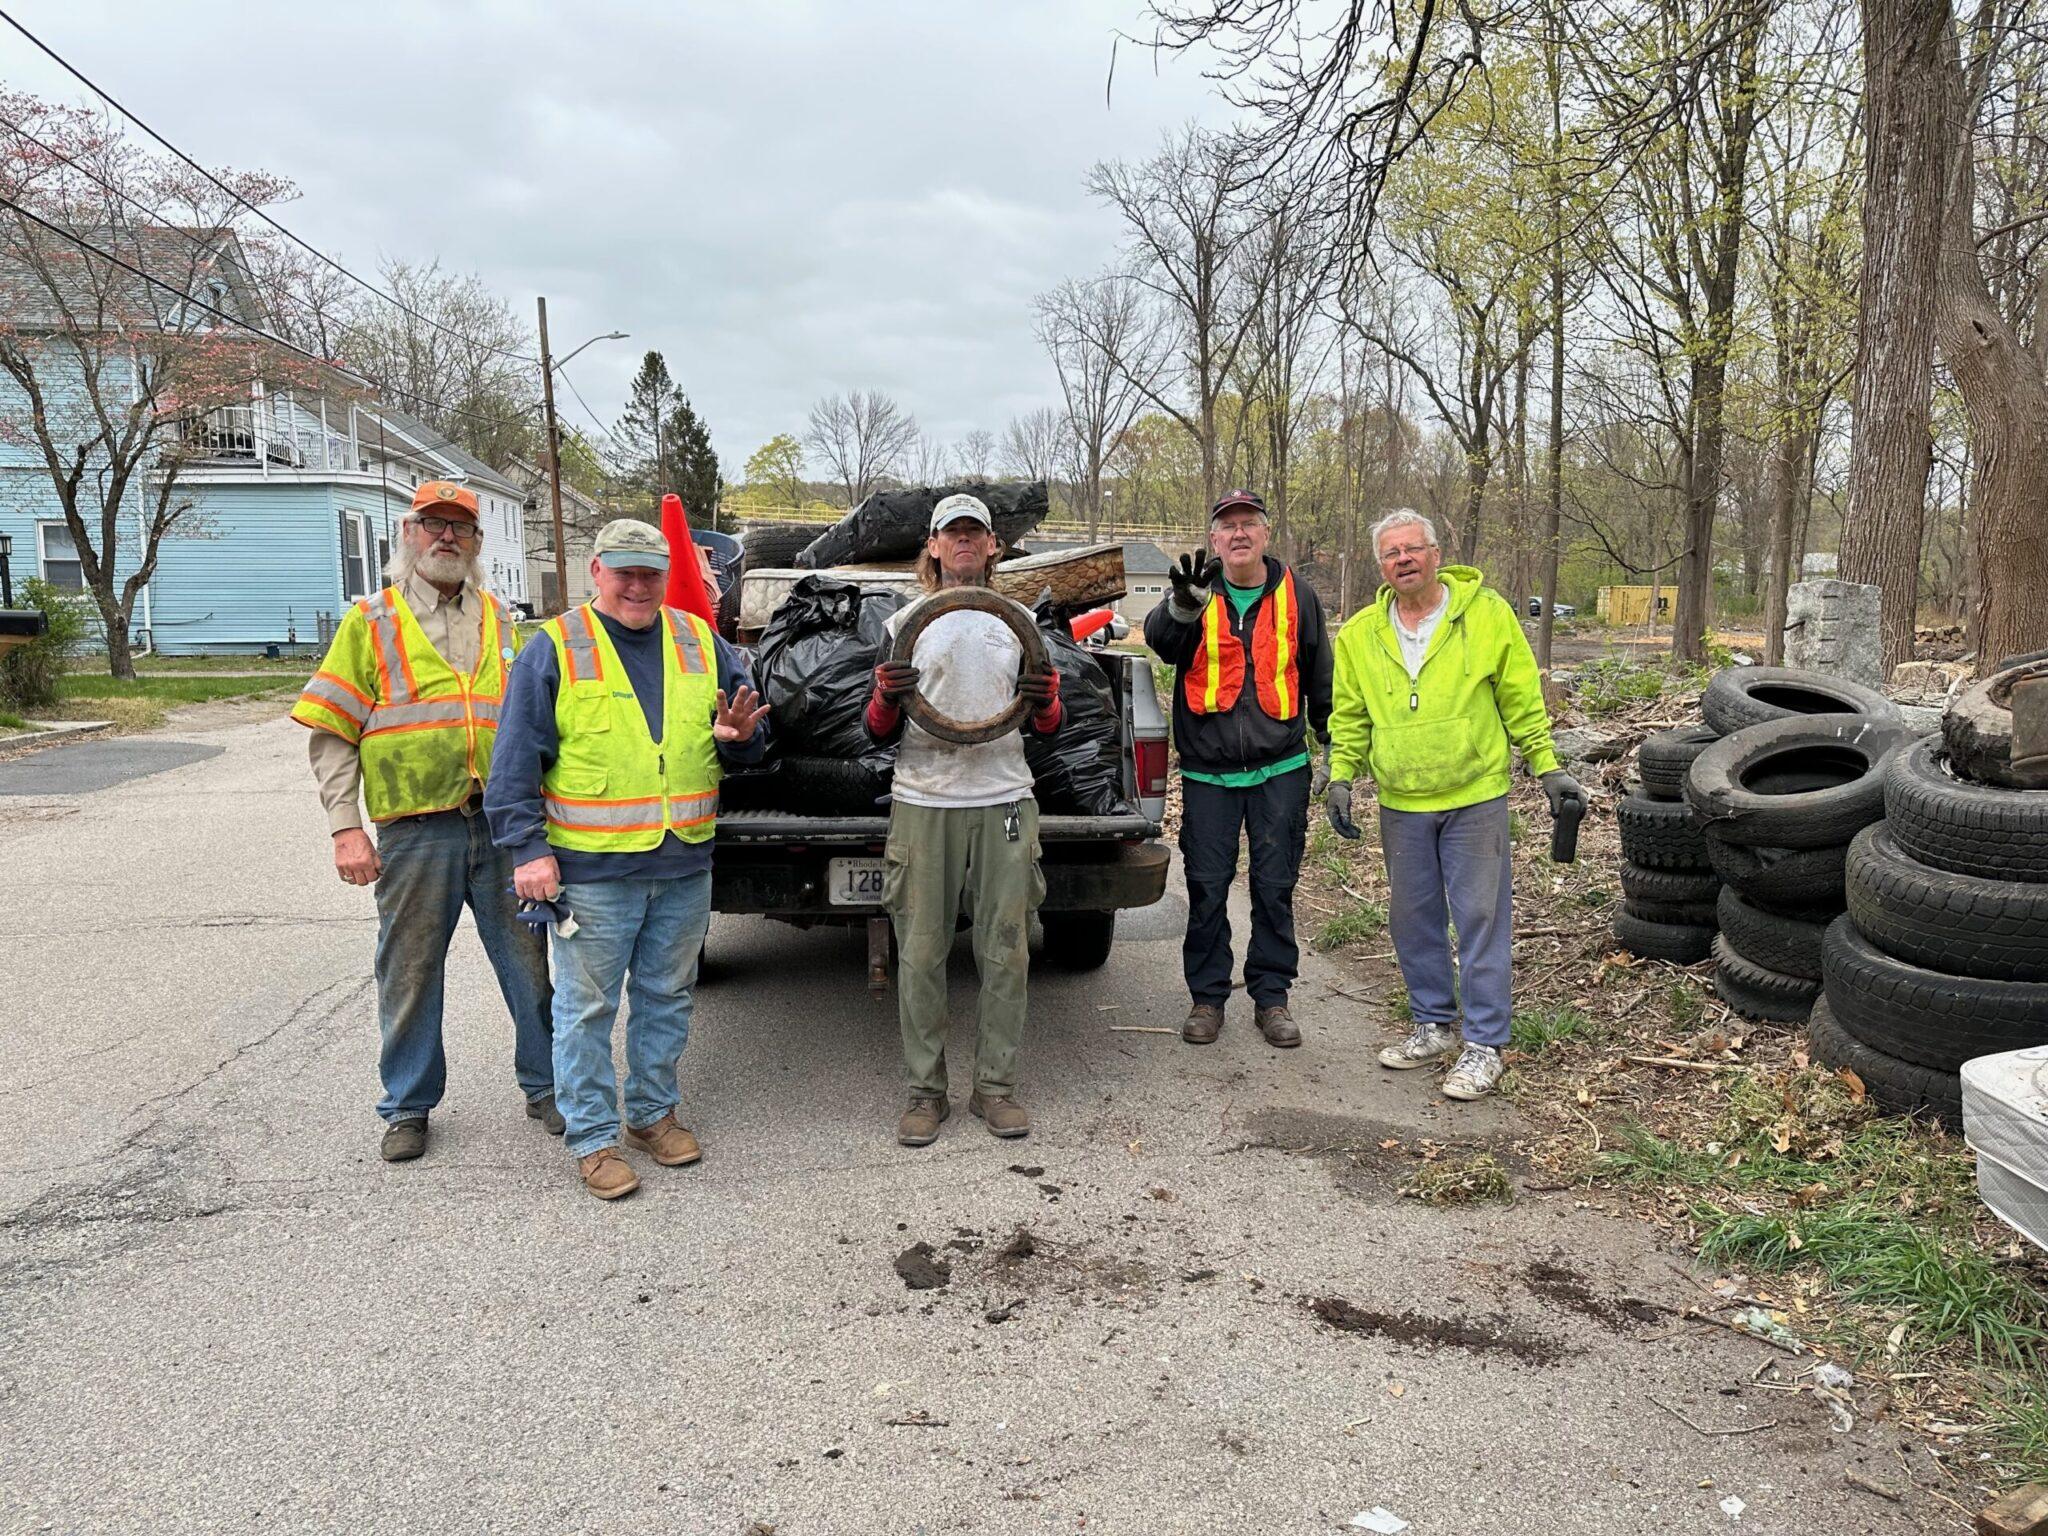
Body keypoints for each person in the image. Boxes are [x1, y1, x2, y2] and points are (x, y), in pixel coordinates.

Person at [485, 518, 769, 1200]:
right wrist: (528, 850)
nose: (638, 585)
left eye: (650, 572)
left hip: (681, 863)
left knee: (666, 997)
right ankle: (592, 1138)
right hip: (591, 870)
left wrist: (738, 741)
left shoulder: (700, 640)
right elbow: (514, 761)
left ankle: (651, 1113)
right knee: (585, 1010)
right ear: (597, 573)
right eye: (624, 572)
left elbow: (750, 742)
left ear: (666, 577)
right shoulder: (554, 647)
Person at [291, 479, 556, 1163]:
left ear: (475, 544)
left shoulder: (501, 619)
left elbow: (532, 723)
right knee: (409, 971)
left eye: (460, 528)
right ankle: (408, 1105)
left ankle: (548, 1085)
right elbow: (329, 730)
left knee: (530, 965)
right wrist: (345, 826)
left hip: (501, 828)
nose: (447, 537)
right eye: (433, 525)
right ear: (408, 535)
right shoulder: (371, 621)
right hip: (415, 830)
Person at [1324, 509, 1587, 1101]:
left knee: (1479, 921)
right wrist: (1342, 775)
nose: (1403, 560)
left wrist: (1547, 766)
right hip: (1402, 801)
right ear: (1381, 565)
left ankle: (1486, 1043)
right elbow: (1350, 714)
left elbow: (1521, 697)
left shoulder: (1485, 614)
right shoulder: (1362, 632)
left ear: (1437, 553)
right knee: (1413, 920)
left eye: (1413, 549)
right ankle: (1433, 1026)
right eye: (1391, 553)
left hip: (1475, 796)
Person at [865, 493, 1063, 1146]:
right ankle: (926, 1094)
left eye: (976, 533)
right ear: (932, 546)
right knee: (921, 954)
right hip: (924, 799)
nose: (965, 543)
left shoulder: (1017, 621)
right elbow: (877, 729)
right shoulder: (907, 623)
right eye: (953, 534)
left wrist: (1046, 701)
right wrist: (886, 700)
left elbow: (1050, 725)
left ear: (994, 546)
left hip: (1004, 795)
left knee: (1005, 950)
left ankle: (995, 1090)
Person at [1143, 489, 1333, 1049]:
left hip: (1281, 769)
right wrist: (1184, 605)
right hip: (1209, 774)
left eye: (1249, 523)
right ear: (1214, 540)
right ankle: (1207, 997)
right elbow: (1161, 643)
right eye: (1228, 526)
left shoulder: (1299, 593)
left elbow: (1320, 673)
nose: (1239, 534)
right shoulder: (1196, 590)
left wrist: (1332, 751)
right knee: (1206, 888)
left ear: (1266, 534)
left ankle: (1272, 998)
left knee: (1275, 887)